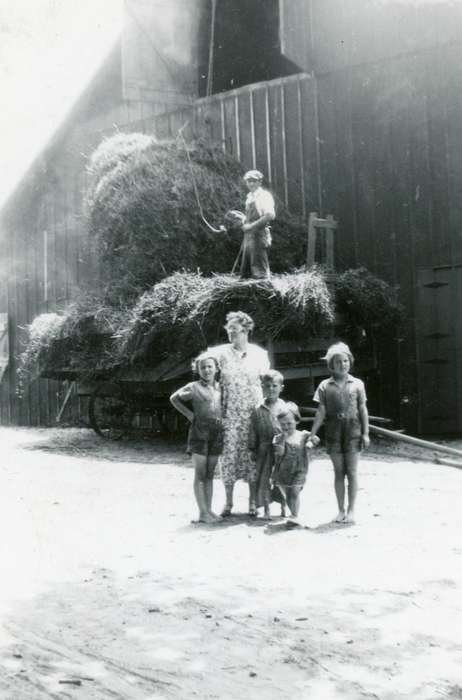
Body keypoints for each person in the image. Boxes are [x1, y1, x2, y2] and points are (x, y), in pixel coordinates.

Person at [209, 311, 270, 517]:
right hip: (229, 414)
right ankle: (228, 502)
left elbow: (267, 382)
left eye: (234, 330)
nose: (230, 333)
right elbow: (202, 367)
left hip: (252, 415)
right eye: (229, 330)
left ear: (246, 331)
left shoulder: (259, 354)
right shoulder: (220, 354)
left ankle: (253, 503)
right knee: (228, 457)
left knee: (252, 456)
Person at [308, 342, 370, 524]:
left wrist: (366, 433)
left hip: (354, 432)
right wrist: (313, 432)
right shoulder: (325, 386)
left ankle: (351, 510)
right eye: (337, 362)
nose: (342, 364)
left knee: (351, 471)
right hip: (334, 433)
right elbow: (321, 410)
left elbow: (362, 408)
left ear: (349, 361)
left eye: (345, 360)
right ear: (331, 365)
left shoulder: (357, 384)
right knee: (338, 472)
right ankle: (340, 510)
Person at [170, 352, 223, 524]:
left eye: (210, 366)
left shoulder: (220, 388)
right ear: (197, 370)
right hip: (199, 432)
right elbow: (174, 398)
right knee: (200, 474)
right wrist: (189, 414)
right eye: (203, 367)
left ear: (216, 369)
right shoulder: (193, 387)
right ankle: (202, 513)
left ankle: (209, 510)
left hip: (216, 432)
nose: (207, 370)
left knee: (210, 474)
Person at [248, 370, 287, 520]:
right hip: (263, 449)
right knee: (264, 479)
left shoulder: (285, 407)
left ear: (281, 387)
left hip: (280, 449)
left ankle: (284, 506)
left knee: (281, 477)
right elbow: (253, 430)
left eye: (274, 386)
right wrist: (252, 448)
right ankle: (266, 509)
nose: (271, 389)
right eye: (267, 386)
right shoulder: (257, 409)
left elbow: (290, 427)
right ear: (262, 387)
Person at [272, 402, 310, 525]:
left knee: (294, 491)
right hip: (283, 471)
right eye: (282, 424)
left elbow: (315, 439)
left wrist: (311, 443)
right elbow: (280, 453)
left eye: (289, 423)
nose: (286, 427)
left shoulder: (303, 435)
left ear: (297, 421)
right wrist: (283, 438)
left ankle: (295, 516)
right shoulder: (278, 438)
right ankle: (291, 512)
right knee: (288, 495)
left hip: (300, 469)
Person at [240, 170, 276, 279]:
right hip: (249, 237)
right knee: (246, 270)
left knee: (259, 271)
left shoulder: (264, 196)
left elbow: (270, 215)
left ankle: (264, 293)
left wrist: (250, 226)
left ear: (260, 182)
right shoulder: (249, 197)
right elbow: (251, 216)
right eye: (248, 181)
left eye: (254, 181)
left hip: (259, 235)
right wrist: (243, 220)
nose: (251, 184)